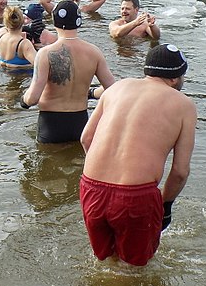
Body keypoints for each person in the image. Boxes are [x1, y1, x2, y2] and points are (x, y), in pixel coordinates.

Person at [79, 43, 196, 267]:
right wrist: (166, 206)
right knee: (135, 270)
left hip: (91, 187)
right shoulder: (184, 105)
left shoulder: (116, 88)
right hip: (135, 197)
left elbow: (86, 138)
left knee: (105, 263)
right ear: (174, 79)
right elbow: (180, 171)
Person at [20, 0, 116, 143]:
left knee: (46, 162)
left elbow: (33, 98)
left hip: (51, 125)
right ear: (79, 22)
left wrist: (23, 101)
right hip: (80, 123)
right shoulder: (94, 52)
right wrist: (90, 93)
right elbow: (113, 89)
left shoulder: (45, 53)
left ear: (54, 20)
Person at [0, 6, 37, 70]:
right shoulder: (24, 44)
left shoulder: (1, 35)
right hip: (23, 77)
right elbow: (40, 65)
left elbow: (6, 28)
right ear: (22, 21)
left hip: (5, 74)